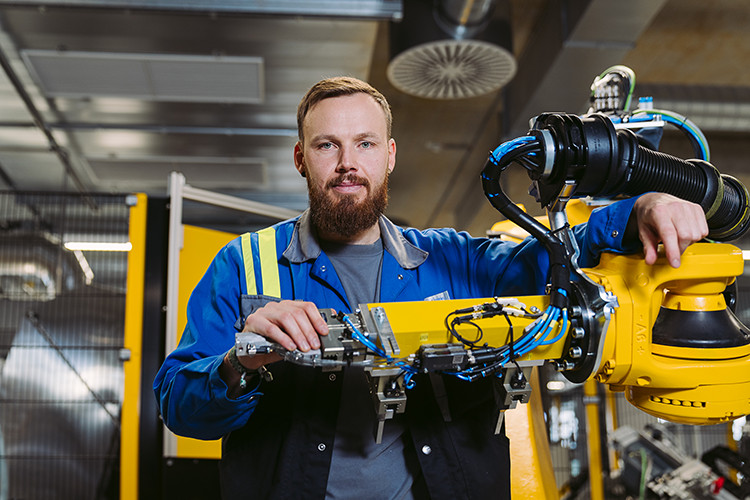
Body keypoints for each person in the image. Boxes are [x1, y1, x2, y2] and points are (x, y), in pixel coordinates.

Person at [153, 77, 708, 499]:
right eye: (327, 146)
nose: (348, 164)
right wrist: (238, 363)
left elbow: (548, 261)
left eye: (365, 143)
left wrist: (640, 210)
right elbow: (179, 406)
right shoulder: (243, 267)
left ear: (390, 155)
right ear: (301, 159)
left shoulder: (453, 260)